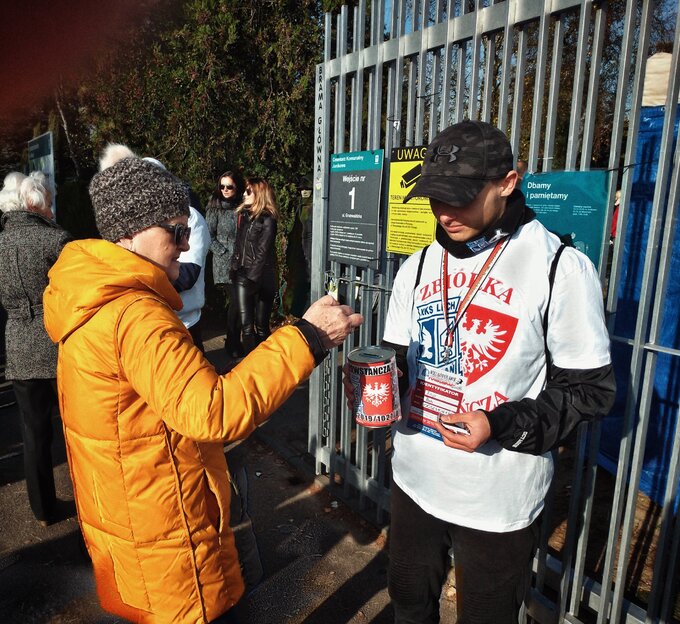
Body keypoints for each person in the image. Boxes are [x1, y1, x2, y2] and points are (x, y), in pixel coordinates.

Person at [42, 145, 362, 624]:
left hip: (133, 520)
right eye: (173, 230)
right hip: (168, 539)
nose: (185, 241)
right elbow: (212, 413)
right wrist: (308, 337)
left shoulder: (91, 300)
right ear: (129, 233)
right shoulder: (135, 316)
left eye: (185, 227)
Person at [345, 120, 615, 623]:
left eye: (462, 197)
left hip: (497, 500)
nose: (446, 213)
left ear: (509, 182)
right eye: (436, 198)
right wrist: (375, 385)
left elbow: (589, 393)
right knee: (407, 602)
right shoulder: (419, 265)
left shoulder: (559, 266)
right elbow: (398, 357)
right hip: (413, 481)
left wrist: (501, 424)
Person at [0, 171, 71, 526]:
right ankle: (91, 501)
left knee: (33, 432)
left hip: (18, 345)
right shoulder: (56, 241)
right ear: (39, 203)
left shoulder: (1, 244)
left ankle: (43, 510)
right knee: (77, 428)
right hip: (58, 342)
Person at [143, 156, 211, 351]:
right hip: (152, 322)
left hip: (185, 322)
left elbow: (189, 273)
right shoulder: (141, 222)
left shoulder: (190, 218)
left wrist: (144, 287)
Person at [231, 177, 279, 355]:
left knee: (261, 326)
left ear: (259, 193)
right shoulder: (244, 215)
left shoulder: (268, 218)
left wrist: (252, 278)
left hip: (261, 276)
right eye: (245, 190)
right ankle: (249, 366)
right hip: (244, 274)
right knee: (247, 325)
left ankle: (264, 364)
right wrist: (235, 268)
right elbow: (239, 245)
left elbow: (263, 251)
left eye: (249, 191)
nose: (244, 194)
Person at [206, 170, 244, 358]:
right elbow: (208, 235)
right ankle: (232, 342)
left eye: (229, 186)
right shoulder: (214, 208)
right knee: (237, 302)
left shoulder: (242, 207)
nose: (225, 190)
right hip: (224, 264)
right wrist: (223, 252)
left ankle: (234, 340)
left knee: (240, 303)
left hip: (242, 262)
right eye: (222, 186)